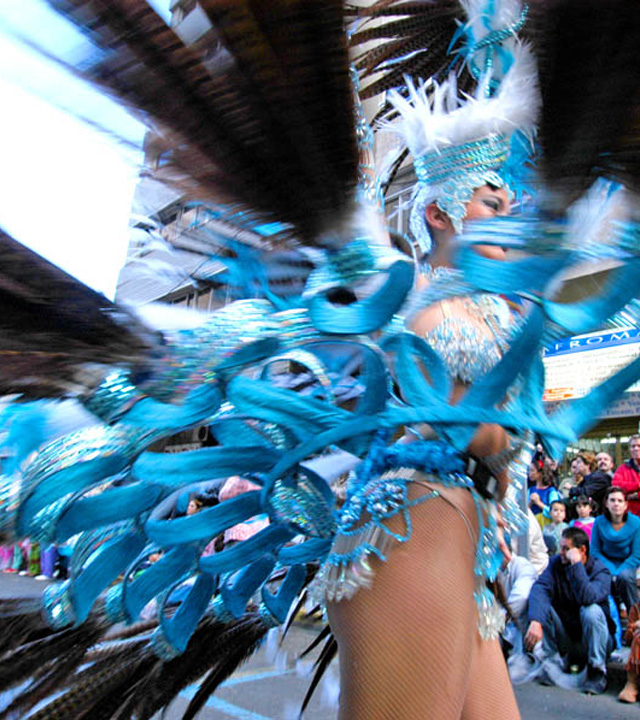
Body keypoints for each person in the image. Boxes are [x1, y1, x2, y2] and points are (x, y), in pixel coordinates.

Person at [525, 527, 616, 695]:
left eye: (566, 549)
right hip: (567, 635)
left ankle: (597, 671)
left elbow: (587, 597)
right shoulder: (555, 564)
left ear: (582, 550)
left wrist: (576, 566)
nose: (561, 553)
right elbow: (541, 588)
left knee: (591, 610)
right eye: (561, 548)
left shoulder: (600, 572)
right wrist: (536, 621)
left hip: (596, 640)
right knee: (541, 606)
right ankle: (553, 663)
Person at [590, 486, 640, 614]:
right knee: (602, 577)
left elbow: (636, 555)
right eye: (612, 500)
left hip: (628, 564)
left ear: (625, 505)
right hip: (604, 563)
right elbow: (595, 551)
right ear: (606, 503)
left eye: (619, 501)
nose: (616, 504)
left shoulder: (636, 523)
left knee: (625, 577)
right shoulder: (598, 522)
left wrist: (618, 572)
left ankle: (634, 616)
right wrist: (611, 570)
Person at [529, 459, 562, 531]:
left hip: (546, 528)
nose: (529, 473)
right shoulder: (530, 490)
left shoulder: (551, 492)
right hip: (531, 526)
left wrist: (539, 503)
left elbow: (556, 512)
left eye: (532, 470)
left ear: (540, 473)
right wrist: (530, 503)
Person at [613, 435, 640, 516]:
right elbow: (616, 485)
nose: (636, 448)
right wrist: (638, 485)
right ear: (630, 449)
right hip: (629, 516)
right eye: (633, 446)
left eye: (639, 446)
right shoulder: (622, 469)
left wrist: (635, 496)